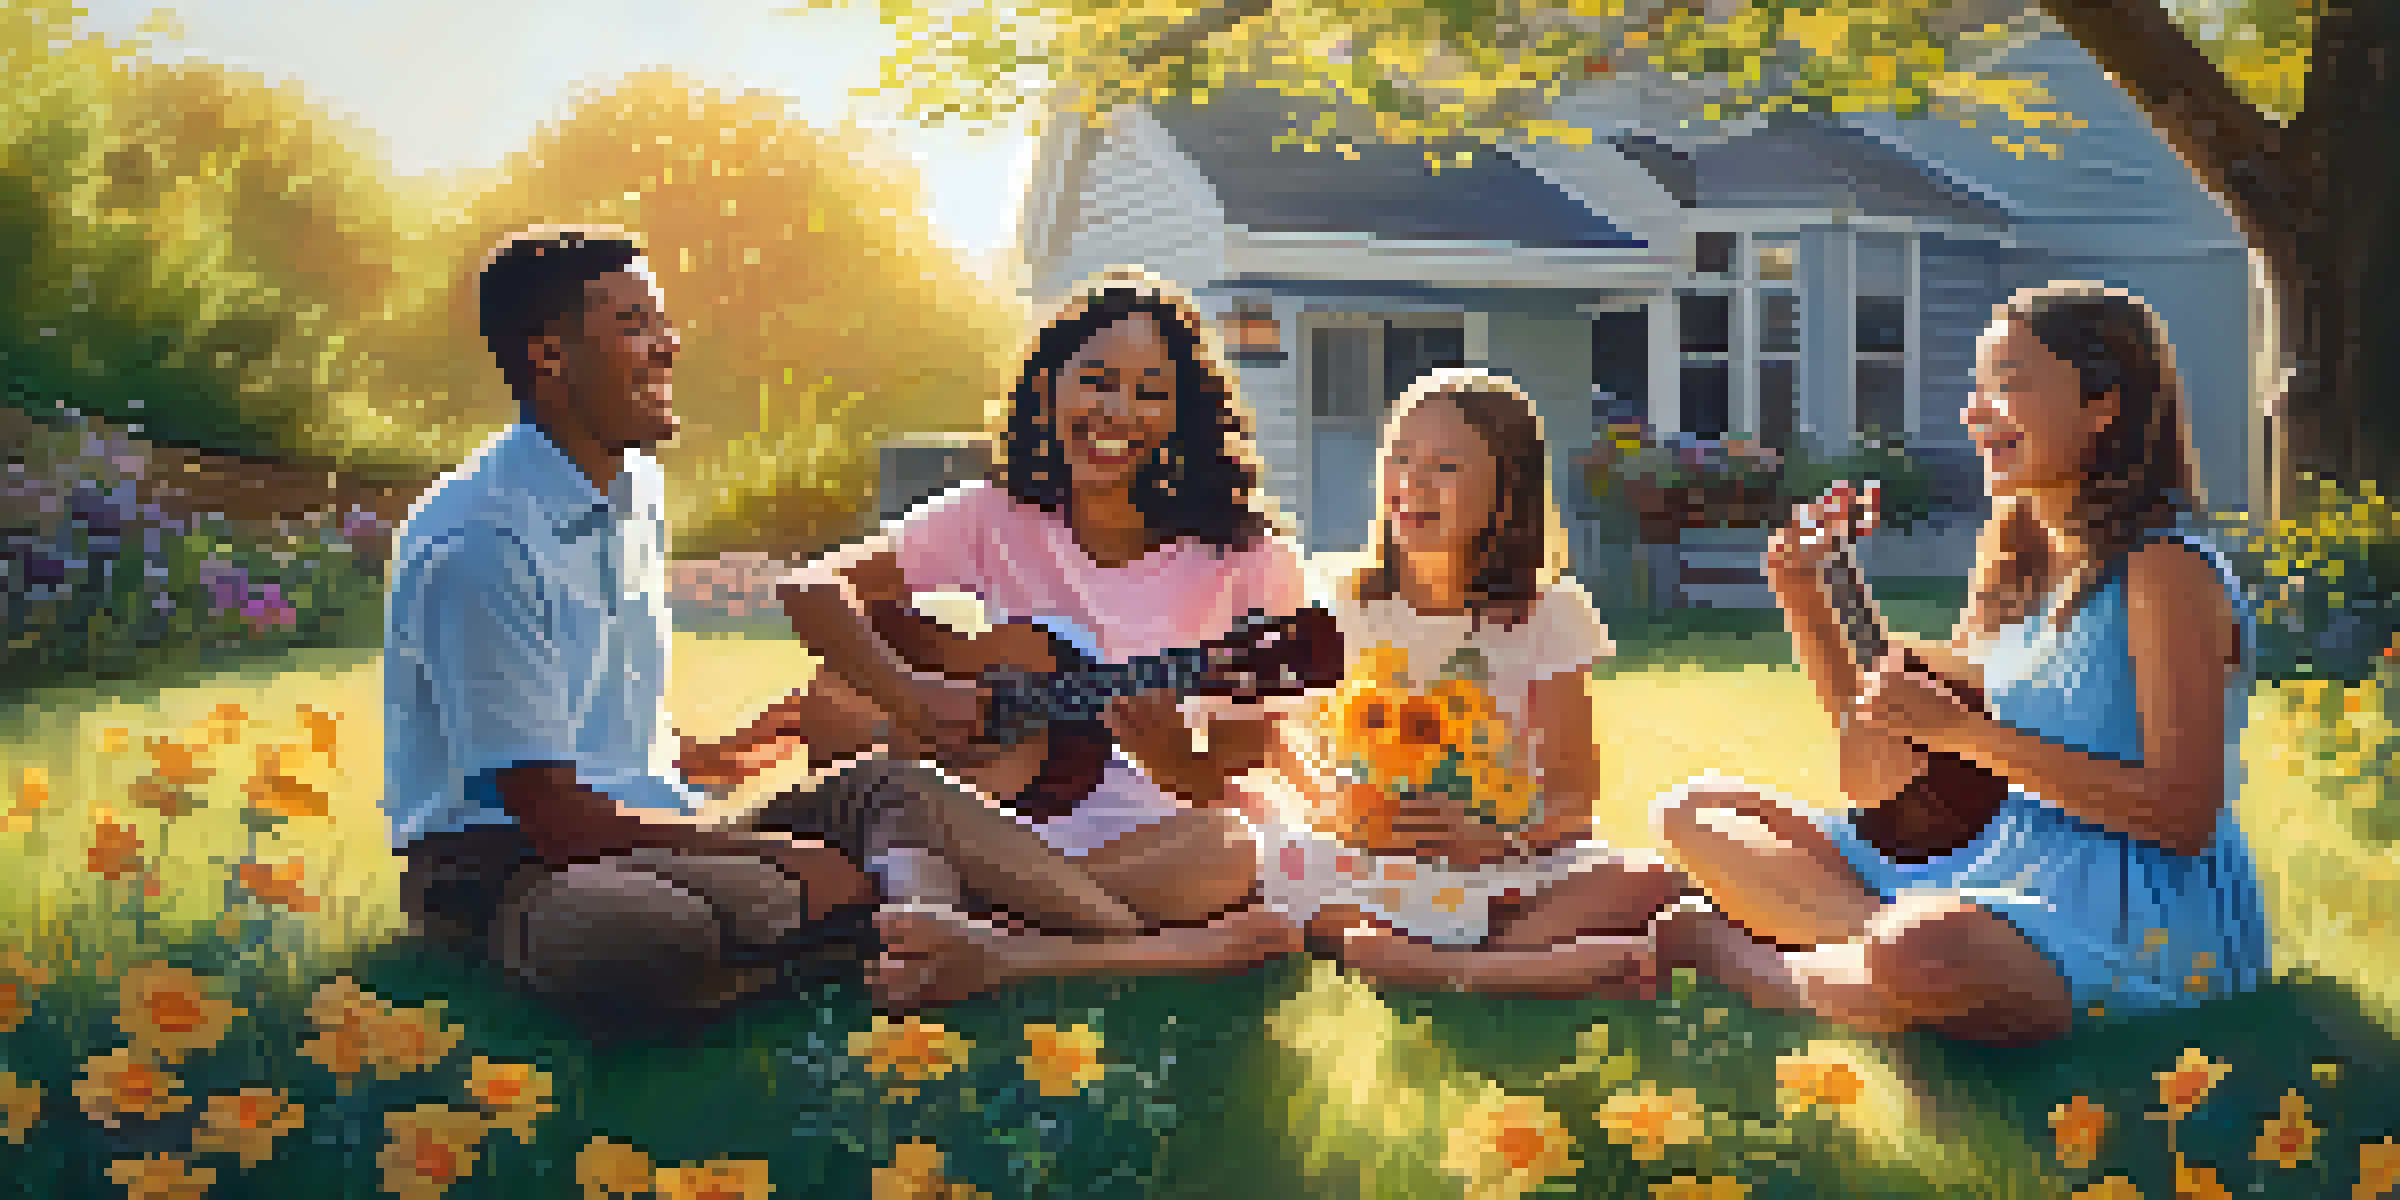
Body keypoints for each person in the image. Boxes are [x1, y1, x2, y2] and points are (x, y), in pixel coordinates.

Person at [1651, 282, 2271, 1045]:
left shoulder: (2163, 569)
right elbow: (1879, 775)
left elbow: (2183, 815)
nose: (1976, 413)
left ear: (2103, 403)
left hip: (2139, 913)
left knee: (1920, 948)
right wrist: (1807, 601)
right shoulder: (2016, 562)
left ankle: (1750, 959)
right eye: (1977, 389)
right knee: (1694, 812)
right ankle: (1879, 968)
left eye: (2008, 384)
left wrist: (1972, 737)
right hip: (2002, 869)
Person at [383, 226, 889, 1034]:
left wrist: (716, 755)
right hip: (508, 866)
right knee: (651, 932)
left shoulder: (634, 489)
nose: (669, 345)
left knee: (900, 792)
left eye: (660, 321)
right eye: (634, 324)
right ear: (549, 355)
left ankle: (859, 927)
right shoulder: (481, 541)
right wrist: (774, 851)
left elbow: (593, 718)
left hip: (639, 830)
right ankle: (866, 934)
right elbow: (551, 813)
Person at [775, 267, 1311, 1012]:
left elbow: (1225, 773)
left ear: (1183, 415)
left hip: (1143, 834)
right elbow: (809, 588)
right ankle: (1072, 940)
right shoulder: (994, 516)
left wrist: (1174, 759)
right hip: (987, 824)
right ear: (1049, 388)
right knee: (869, 747)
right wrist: (912, 696)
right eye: (1095, 380)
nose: (1117, 410)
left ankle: (989, 939)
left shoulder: (1249, 561)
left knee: (1228, 850)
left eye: (1150, 391)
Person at [1252, 368, 1688, 996]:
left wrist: (1497, 841)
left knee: (1653, 880)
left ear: (1507, 493)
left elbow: (1573, 793)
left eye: (1444, 466)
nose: (1412, 483)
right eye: (1400, 459)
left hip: (1500, 860)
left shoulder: (1550, 613)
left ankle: (1433, 961)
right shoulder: (1338, 599)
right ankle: (1515, 962)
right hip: (1365, 860)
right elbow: (1278, 741)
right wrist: (1336, 809)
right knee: (1280, 868)